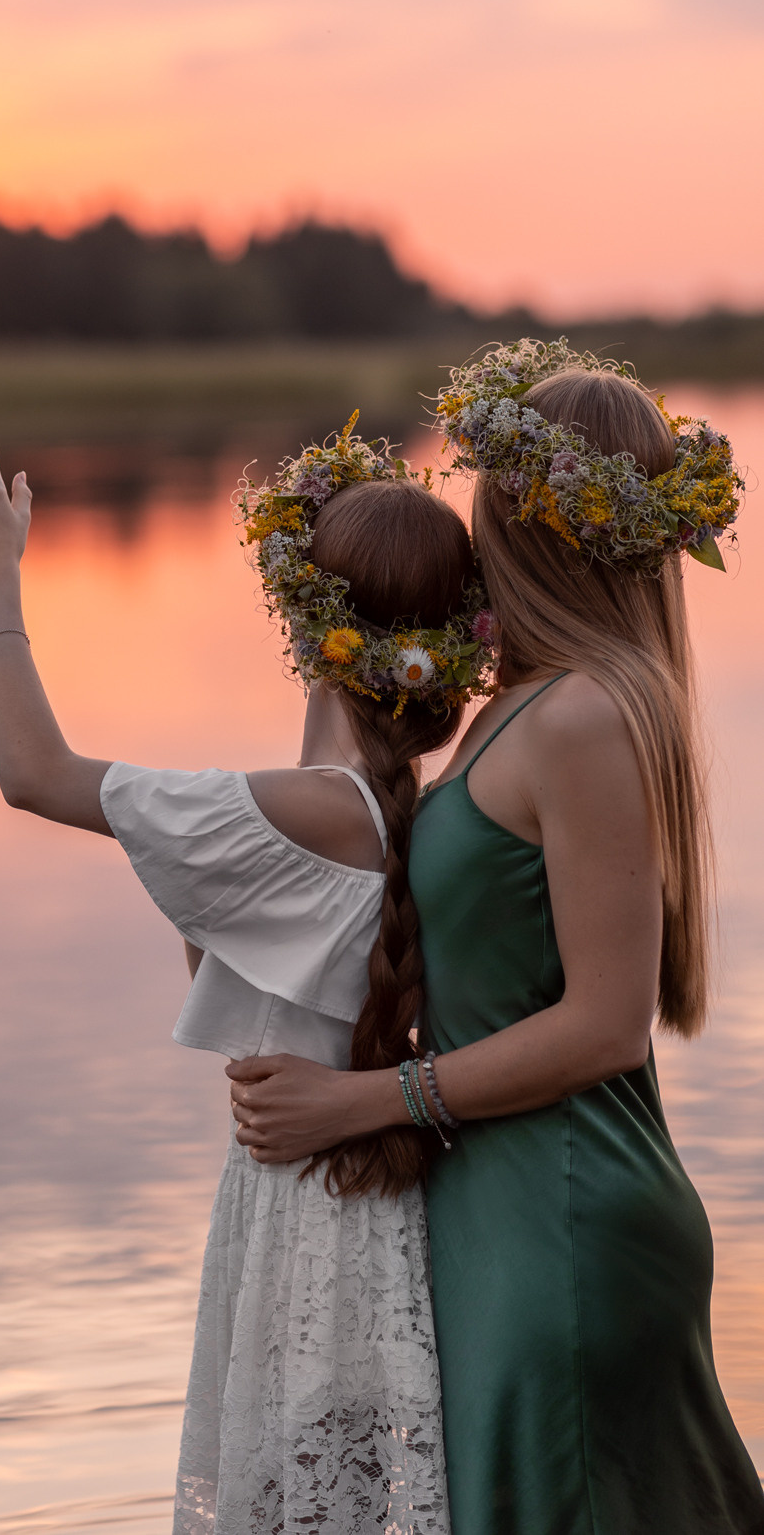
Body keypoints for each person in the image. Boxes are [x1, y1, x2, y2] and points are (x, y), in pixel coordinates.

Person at [0, 416, 498, 1534]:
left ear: (305, 624)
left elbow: (34, 774)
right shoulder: (385, 810)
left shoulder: (312, 813)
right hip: (358, 1203)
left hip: (309, 1211)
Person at [227, 342, 764, 1535]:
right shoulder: (518, 705)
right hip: (500, 1205)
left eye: (488, 492)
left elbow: (604, 1024)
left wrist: (359, 1102)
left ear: (531, 520)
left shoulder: (579, 717)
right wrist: (333, 635)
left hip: (559, 1214)